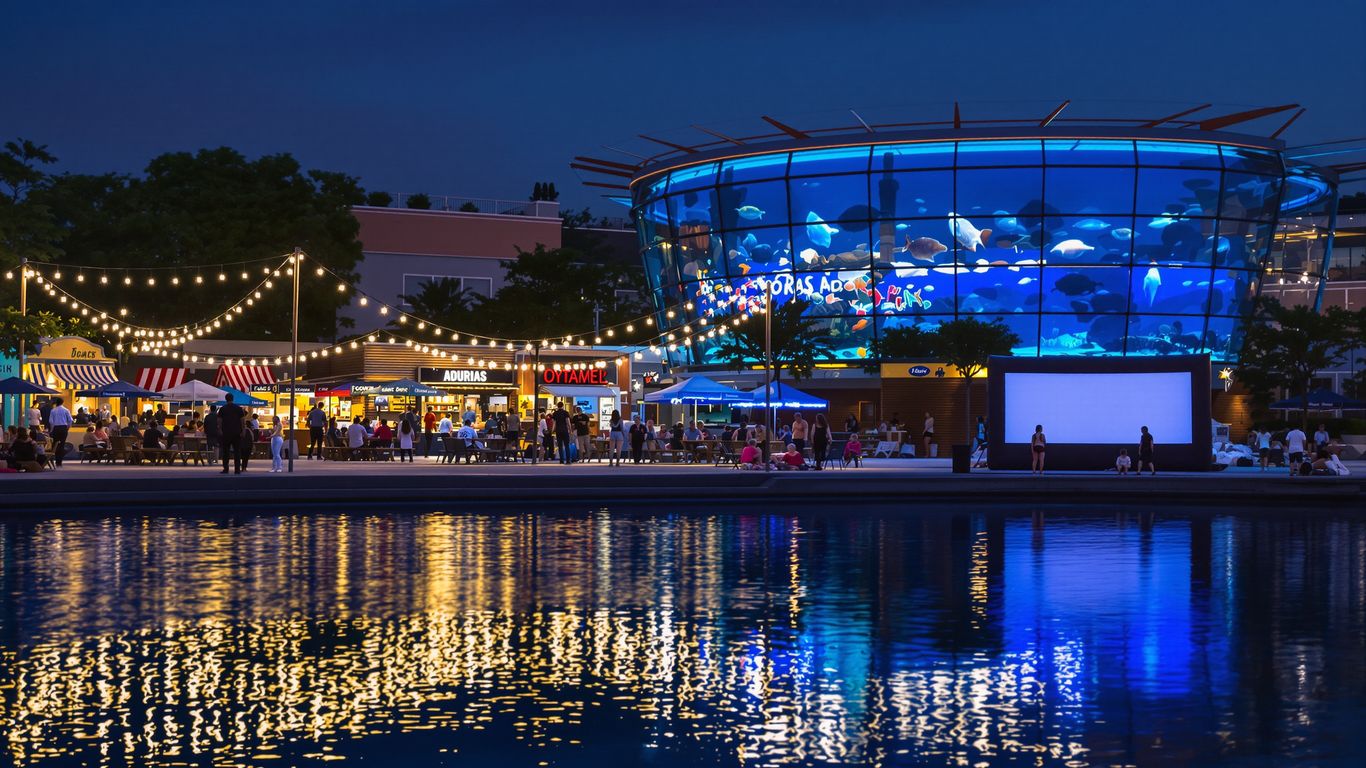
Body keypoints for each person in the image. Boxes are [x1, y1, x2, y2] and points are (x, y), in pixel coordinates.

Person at [217, 394, 246, 474]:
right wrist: (243, 430)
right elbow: (242, 420)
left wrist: (220, 429)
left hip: (226, 432)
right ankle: (237, 469)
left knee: (225, 452)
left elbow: (219, 420)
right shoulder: (239, 408)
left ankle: (226, 468)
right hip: (237, 432)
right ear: (233, 399)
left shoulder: (222, 409)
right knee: (237, 451)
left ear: (226, 399)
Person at [47, 396, 73, 467]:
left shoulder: (53, 410)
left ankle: (53, 459)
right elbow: (70, 420)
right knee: (62, 445)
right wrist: (67, 428)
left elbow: (51, 421)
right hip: (63, 428)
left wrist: (52, 430)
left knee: (54, 445)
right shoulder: (66, 410)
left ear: (56, 403)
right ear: (62, 402)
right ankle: (59, 462)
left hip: (55, 428)